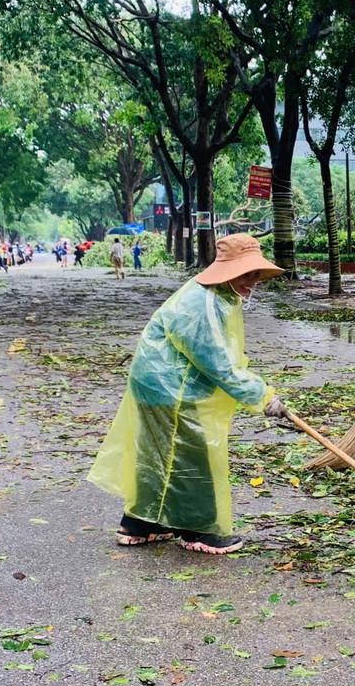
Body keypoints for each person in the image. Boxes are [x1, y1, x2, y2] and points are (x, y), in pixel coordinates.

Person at [89, 234, 287, 554]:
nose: (253, 282)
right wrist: (263, 396)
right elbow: (219, 364)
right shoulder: (204, 304)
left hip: (157, 382)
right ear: (228, 271)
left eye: (256, 275)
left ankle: (141, 523)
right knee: (193, 455)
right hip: (170, 387)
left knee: (160, 455)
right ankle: (200, 530)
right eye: (247, 274)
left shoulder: (219, 296)